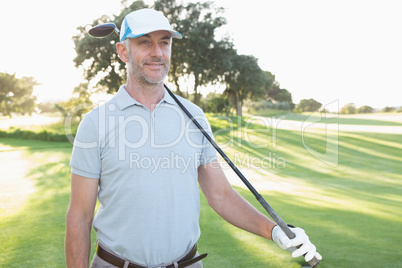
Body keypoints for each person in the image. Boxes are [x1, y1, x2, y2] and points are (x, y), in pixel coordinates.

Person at [65, 8, 322, 268]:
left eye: (164, 42)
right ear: (123, 51)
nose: (157, 52)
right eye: (145, 42)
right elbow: (80, 215)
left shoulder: (194, 116)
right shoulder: (96, 123)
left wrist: (275, 230)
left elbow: (221, 195)